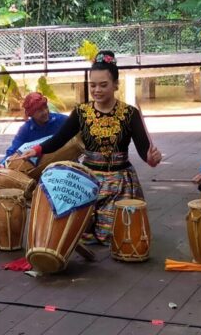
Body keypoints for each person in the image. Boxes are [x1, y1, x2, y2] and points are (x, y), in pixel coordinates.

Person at [13, 51, 162, 245]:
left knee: (114, 236)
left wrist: (152, 158)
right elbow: (60, 138)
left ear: (116, 85)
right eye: (93, 85)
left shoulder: (130, 114)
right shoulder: (81, 112)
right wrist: (37, 150)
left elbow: (145, 152)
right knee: (78, 232)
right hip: (86, 181)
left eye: (103, 85)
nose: (97, 90)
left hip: (120, 183)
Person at [3, 92, 68, 158]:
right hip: (41, 167)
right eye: (40, 111)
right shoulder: (25, 130)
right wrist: (2, 163)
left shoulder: (63, 120)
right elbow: (13, 151)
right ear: (31, 114)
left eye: (46, 107)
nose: (45, 112)